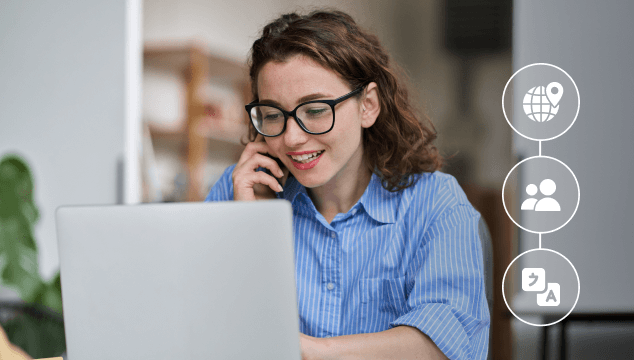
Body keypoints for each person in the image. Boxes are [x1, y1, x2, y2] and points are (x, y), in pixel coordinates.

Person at [206, 10, 489, 360]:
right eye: (273, 114)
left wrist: (309, 351)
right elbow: (203, 325)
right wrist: (247, 228)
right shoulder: (237, 192)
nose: (292, 138)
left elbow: (445, 343)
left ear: (367, 106)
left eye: (314, 110)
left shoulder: (435, 202)